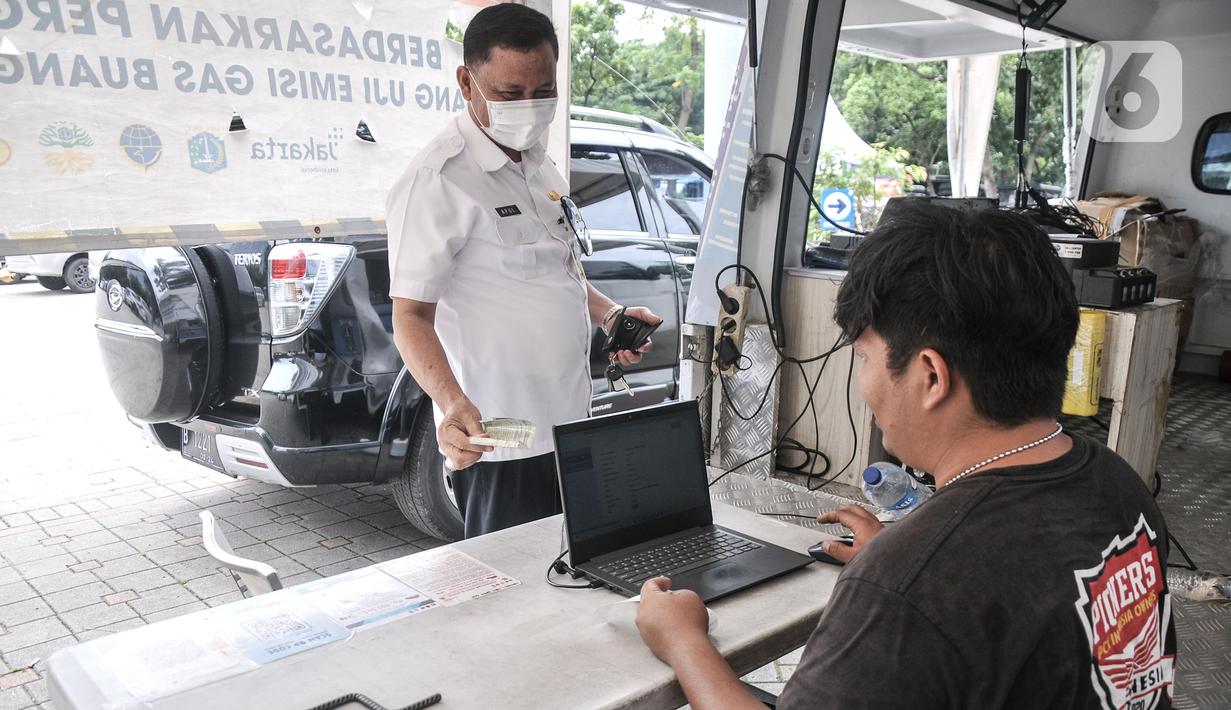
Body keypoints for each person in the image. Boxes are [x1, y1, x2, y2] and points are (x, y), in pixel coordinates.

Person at [635, 204, 1176, 709]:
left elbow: (956, 584)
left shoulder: (907, 586)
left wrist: (682, 640)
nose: (863, 380)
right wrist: (902, 555)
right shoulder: (1116, 482)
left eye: (865, 356)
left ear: (930, 377)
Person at [386, 4, 659, 538]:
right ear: (467, 82)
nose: (530, 107)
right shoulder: (438, 179)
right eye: (511, 94)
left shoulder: (537, 161)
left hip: (571, 424)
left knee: (574, 574)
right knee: (511, 597)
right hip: (506, 440)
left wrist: (609, 315)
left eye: (544, 91)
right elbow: (410, 316)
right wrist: (453, 403)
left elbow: (556, 266)